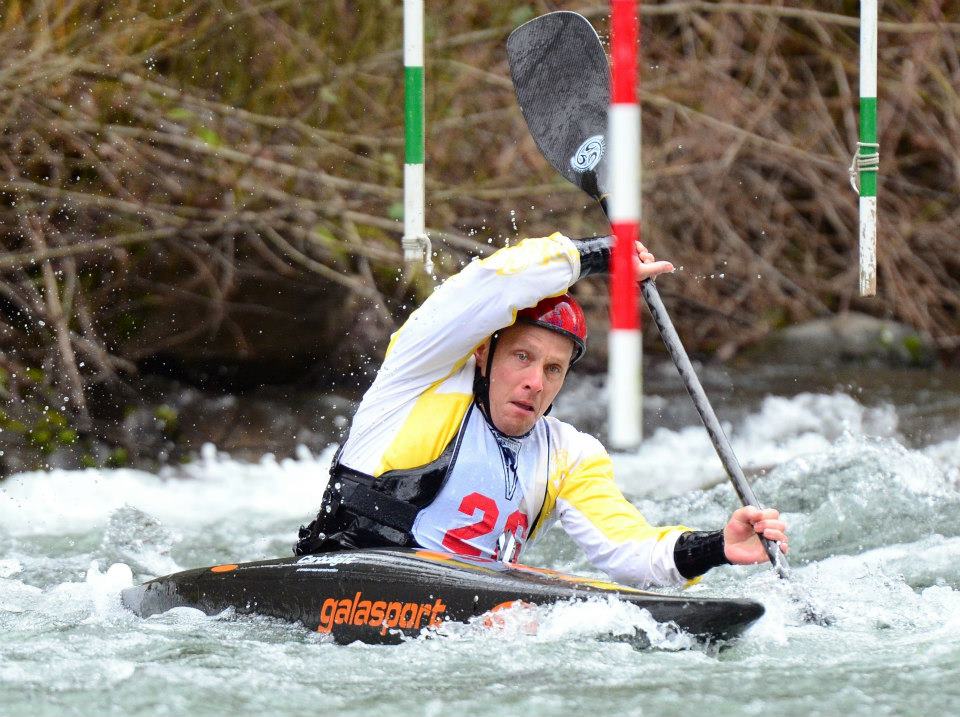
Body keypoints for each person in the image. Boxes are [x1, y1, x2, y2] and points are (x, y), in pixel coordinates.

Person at [294, 233, 788, 588]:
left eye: (554, 369)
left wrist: (716, 547)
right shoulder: (419, 376)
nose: (535, 381)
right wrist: (598, 254)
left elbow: (629, 550)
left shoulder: (568, 455)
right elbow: (494, 284)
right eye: (522, 357)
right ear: (484, 355)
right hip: (343, 580)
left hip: (461, 628)